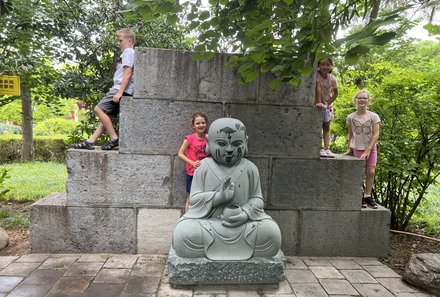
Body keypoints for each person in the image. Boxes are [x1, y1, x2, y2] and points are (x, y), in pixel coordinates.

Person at [172, 118, 282, 261]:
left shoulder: (250, 168)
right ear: (208, 142)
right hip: (210, 224)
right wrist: (219, 197)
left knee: (271, 234)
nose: (229, 149)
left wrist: (245, 213)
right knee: (183, 235)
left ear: (245, 142)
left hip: (244, 226)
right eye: (222, 144)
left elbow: (257, 199)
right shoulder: (202, 167)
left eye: (236, 144)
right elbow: (194, 199)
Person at [72, 28, 135, 150]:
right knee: (106, 117)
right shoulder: (128, 53)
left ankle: (114, 139)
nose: (118, 43)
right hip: (123, 90)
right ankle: (90, 141)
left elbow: (127, 73)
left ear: (130, 41)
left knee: (98, 109)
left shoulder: (128, 52)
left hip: (120, 90)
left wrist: (119, 92)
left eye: (120, 40)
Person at [346, 90, 380, 209]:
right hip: (357, 148)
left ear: (368, 100)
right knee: (359, 173)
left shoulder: (373, 116)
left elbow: (376, 134)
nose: (362, 100)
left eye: (364, 98)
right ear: (355, 100)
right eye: (360, 98)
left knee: (370, 172)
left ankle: (367, 196)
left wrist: (369, 148)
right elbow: (351, 133)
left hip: (370, 148)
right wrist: (350, 148)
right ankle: (359, 197)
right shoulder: (350, 117)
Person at [178, 112, 209, 213]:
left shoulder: (208, 138)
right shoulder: (190, 138)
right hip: (192, 173)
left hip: (205, 173)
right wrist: (192, 163)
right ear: (193, 126)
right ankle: (187, 218)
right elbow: (180, 154)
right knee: (190, 196)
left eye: (203, 123)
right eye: (198, 123)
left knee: (205, 196)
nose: (201, 125)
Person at [315, 57, 339, 158]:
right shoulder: (315, 76)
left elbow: (336, 93)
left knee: (326, 126)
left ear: (331, 66)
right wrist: (319, 102)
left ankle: (327, 148)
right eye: (322, 64)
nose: (325, 67)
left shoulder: (332, 78)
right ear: (318, 66)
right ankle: (319, 148)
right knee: (317, 126)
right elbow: (318, 89)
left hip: (327, 105)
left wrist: (328, 103)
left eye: (328, 65)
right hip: (317, 104)